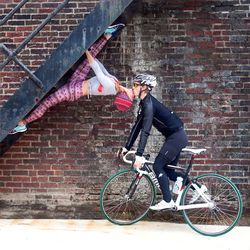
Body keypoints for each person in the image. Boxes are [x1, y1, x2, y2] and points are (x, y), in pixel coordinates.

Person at [10, 24, 134, 134]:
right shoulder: (116, 83)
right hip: (79, 81)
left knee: (47, 102)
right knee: (89, 59)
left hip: (74, 91)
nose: (132, 93)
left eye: (131, 96)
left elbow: (96, 68)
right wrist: (90, 53)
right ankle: (107, 35)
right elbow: (101, 67)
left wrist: (85, 49)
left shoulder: (111, 86)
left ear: (124, 95)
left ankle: (24, 123)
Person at [117, 73, 189, 210]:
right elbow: (137, 127)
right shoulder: (145, 103)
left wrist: (139, 154)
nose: (133, 88)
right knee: (169, 171)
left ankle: (167, 201)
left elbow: (146, 130)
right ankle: (197, 186)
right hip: (175, 136)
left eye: (136, 85)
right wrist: (127, 147)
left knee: (157, 166)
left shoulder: (149, 104)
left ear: (144, 87)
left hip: (177, 136)